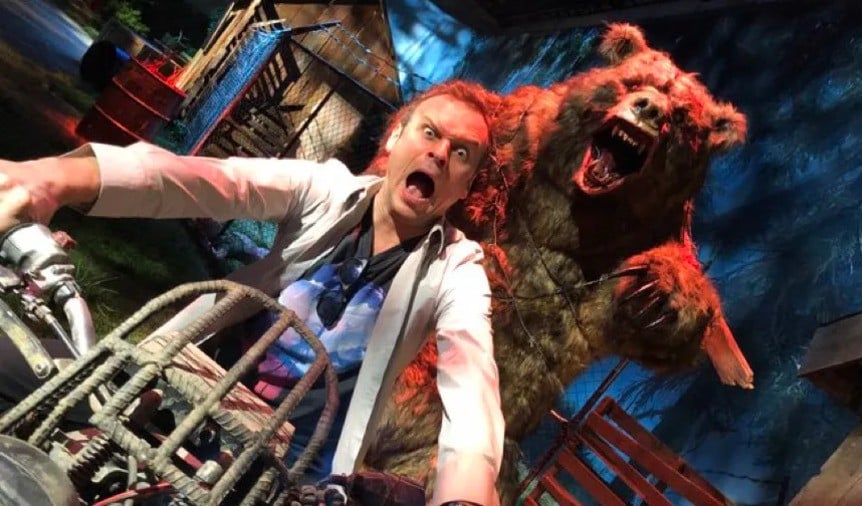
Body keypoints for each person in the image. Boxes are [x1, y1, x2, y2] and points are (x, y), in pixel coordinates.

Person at [0, 80, 504, 506]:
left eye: (461, 152)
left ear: (466, 187)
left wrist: (465, 497)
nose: (440, 153)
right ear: (396, 136)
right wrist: (50, 178)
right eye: (429, 132)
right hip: (176, 386)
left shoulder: (457, 272)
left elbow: (472, 387)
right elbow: (212, 180)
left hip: (282, 473)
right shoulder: (326, 190)